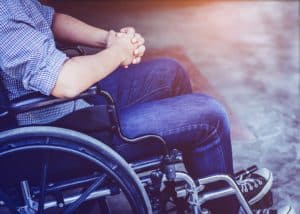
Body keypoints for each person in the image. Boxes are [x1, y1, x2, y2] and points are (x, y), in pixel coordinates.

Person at [0, 0, 293, 213]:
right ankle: (224, 206)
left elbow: (49, 20)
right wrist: (118, 52)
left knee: (169, 72)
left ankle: (204, 185)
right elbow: (66, 82)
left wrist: (108, 38)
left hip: (70, 106)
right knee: (210, 116)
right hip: (58, 132)